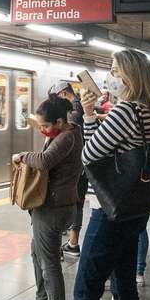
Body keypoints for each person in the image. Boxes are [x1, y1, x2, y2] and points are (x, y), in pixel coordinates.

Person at [44, 49, 150, 300]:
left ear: (129, 77)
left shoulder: (125, 111)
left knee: (85, 293)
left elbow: (89, 154)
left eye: (114, 71)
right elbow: (107, 147)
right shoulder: (149, 113)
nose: (109, 76)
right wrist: (94, 114)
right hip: (134, 209)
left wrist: (90, 113)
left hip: (109, 211)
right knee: (125, 291)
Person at [13, 94, 83, 300]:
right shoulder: (67, 133)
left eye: (45, 126)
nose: (42, 130)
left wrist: (22, 156)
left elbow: (44, 161)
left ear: (60, 121)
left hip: (54, 206)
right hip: (57, 204)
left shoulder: (67, 137)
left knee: (49, 262)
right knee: (38, 253)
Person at [50, 80, 86, 258]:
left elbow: (68, 139)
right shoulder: (78, 107)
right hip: (81, 164)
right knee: (75, 202)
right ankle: (72, 242)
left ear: (64, 93)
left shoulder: (73, 111)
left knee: (72, 202)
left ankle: (73, 243)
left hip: (75, 165)